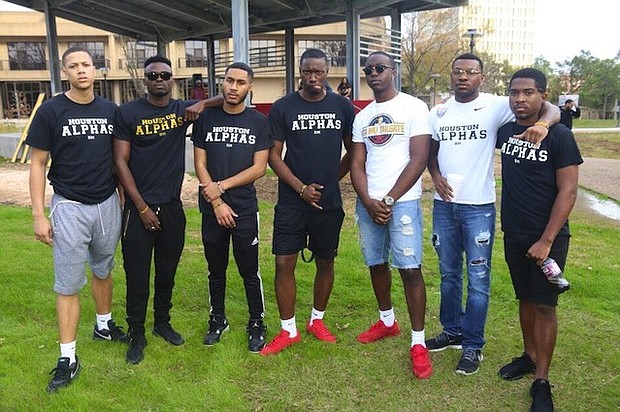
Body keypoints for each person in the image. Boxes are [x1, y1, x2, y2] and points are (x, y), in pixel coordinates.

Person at [426, 53, 559, 376]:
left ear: (481, 78)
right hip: (444, 205)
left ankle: (473, 344)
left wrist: (542, 125)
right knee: (448, 274)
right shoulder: (438, 111)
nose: (463, 76)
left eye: (471, 72)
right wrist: (436, 175)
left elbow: (551, 108)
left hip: (479, 207)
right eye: (458, 71)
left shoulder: (497, 105)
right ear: (451, 75)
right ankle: (452, 331)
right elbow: (432, 151)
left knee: (478, 279)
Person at [27, 46, 127, 393]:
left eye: (86, 64)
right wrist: (38, 214)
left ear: (95, 70)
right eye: (73, 66)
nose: (81, 70)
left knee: (103, 267)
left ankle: (104, 325)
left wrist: (123, 198)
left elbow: (119, 158)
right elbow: (37, 163)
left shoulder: (111, 110)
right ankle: (67, 357)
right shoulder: (51, 111)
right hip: (69, 205)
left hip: (107, 202)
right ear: (65, 71)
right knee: (68, 284)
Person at [113, 55, 221, 365]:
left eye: (164, 75)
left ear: (172, 79)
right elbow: (120, 162)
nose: (159, 79)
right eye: (153, 75)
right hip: (138, 209)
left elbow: (225, 98)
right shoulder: (127, 113)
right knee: (137, 275)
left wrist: (202, 104)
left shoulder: (180, 110)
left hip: (172, 207)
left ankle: (162, 322)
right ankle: (136, 333)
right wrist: (141, 207)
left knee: (167, 271)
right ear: (144, 80)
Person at [496, 68, 582, 412]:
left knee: (545, 304)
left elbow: (569, 191)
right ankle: (529, 356)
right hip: (514, 233)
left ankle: (542, 381)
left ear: (542, 96)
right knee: (525, 298)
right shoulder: (506, 131)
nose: (520, 99)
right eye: (514, 92)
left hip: (549, 237)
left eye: (528, 92)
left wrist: (546, 240)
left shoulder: (559, 136)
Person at [260, 48, 355, 355]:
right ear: (300, 72)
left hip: (328, 200)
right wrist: (300, 188)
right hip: (292, 200)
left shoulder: (342, 106)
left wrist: (331, 181)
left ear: (327, 72)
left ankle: (317, 320)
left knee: (326, 261)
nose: (313, 77)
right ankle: (288, 330)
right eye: (307, 72)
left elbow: (353, 150)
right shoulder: (283, 107)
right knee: (283, 262)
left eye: (319, 72)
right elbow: (274, 155)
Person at [350, 51, 432, 379]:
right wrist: (368, 201)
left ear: (393, 71)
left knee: (410, 270)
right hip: (369, 203)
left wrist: (389, 198)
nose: (374, 73)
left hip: (403, 203)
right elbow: (356, 164)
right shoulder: (363, 117)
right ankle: (387, 321)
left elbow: (419, 158)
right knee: (376, 264)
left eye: (380, 68)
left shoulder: (414, 107)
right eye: (368, 69)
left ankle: (418, 342)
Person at [191, 62, 272, 353]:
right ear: (221, 83)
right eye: (229, 80)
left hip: (244, 209)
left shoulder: (259, 121)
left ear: (249, 87)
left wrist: (221, 187)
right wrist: (216, 201)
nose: (233, 87)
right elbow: (200, 163)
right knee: (216, 269)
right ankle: (217, 319)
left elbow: (259, 168)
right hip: (212, 209)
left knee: (249, 269)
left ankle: (256, 321)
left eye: (240, 82)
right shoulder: (206, 119)